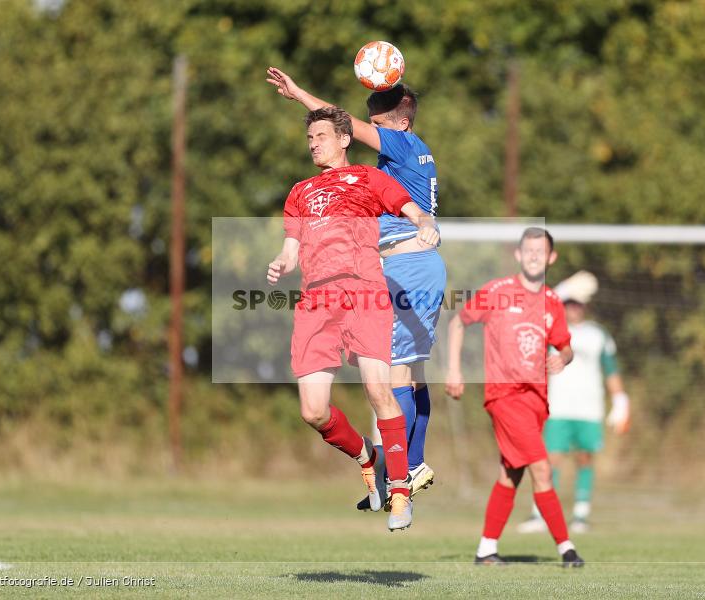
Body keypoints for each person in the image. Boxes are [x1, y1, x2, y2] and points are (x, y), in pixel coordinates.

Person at [267, 68, 446, 508]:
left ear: (401, 123)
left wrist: (300, 94)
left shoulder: (402, 144)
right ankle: (410, 463)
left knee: (394, 373)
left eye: (377, 126)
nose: (372, 133)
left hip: (406, 264)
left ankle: (402, 470)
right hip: (413, 265)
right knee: (411, 372)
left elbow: (346, 123)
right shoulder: (401, 160)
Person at [445, 227, 584, 567]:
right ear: (519, 255)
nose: (534, 256)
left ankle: (486, 550)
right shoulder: (499, 291)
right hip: (504, 396)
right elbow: (458, 323)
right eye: (529, 250)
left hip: (536, 400)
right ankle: (567, 549)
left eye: (541, 251)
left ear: (551, 257)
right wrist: (453, 370)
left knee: (511, 473)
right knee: (541, 468)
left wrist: (563, 358)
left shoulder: (552, 301)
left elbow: (565, 346)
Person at [516, 270, 631, 534]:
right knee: (551, 459)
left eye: (578, 304)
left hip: (589, 408)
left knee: (584, 458)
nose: (574, 309)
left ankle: (580, 515)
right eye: (569, 304)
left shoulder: (598, 334)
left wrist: (620, 400)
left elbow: (611, 370)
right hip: (558, 407)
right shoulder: (551, 331)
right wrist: (563, 288)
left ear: (585, 306)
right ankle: (541, 513)